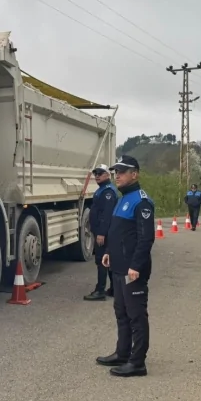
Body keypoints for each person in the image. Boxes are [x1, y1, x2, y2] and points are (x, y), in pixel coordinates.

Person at [97, 155, 155, 377]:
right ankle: (122, 353)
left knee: (136, 316)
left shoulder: (142, 201)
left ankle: (138, 362)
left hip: (133, 270)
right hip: (119, 268)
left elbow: (145, 238)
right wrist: (110, 252)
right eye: (116, 171)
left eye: (122, 171)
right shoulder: (122, 199)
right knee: (121, 312)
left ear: (135, 174)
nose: (117, 175)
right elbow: (119, 231)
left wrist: (136, 265)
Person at [84, 164, 118, 301]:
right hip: (103, 231)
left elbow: (107, 215)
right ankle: (115, 289)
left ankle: (100, 291)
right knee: (108, 260)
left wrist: (101, 233)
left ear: (107, 175)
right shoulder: (103, 190)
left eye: (100, 173)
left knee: (102, 261)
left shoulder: (108, 192)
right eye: (95, 173)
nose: (97, 175)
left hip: (104, 233)